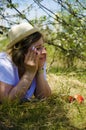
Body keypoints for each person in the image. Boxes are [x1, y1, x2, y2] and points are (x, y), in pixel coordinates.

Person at [0, 22, 51, 103]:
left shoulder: (37, 59)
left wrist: (39, 70)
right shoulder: (4, 64)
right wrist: (29, 73)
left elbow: (44, 96)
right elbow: (6, 102)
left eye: (43, 47)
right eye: (38, 48)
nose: (44, 52)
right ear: (21, 51)